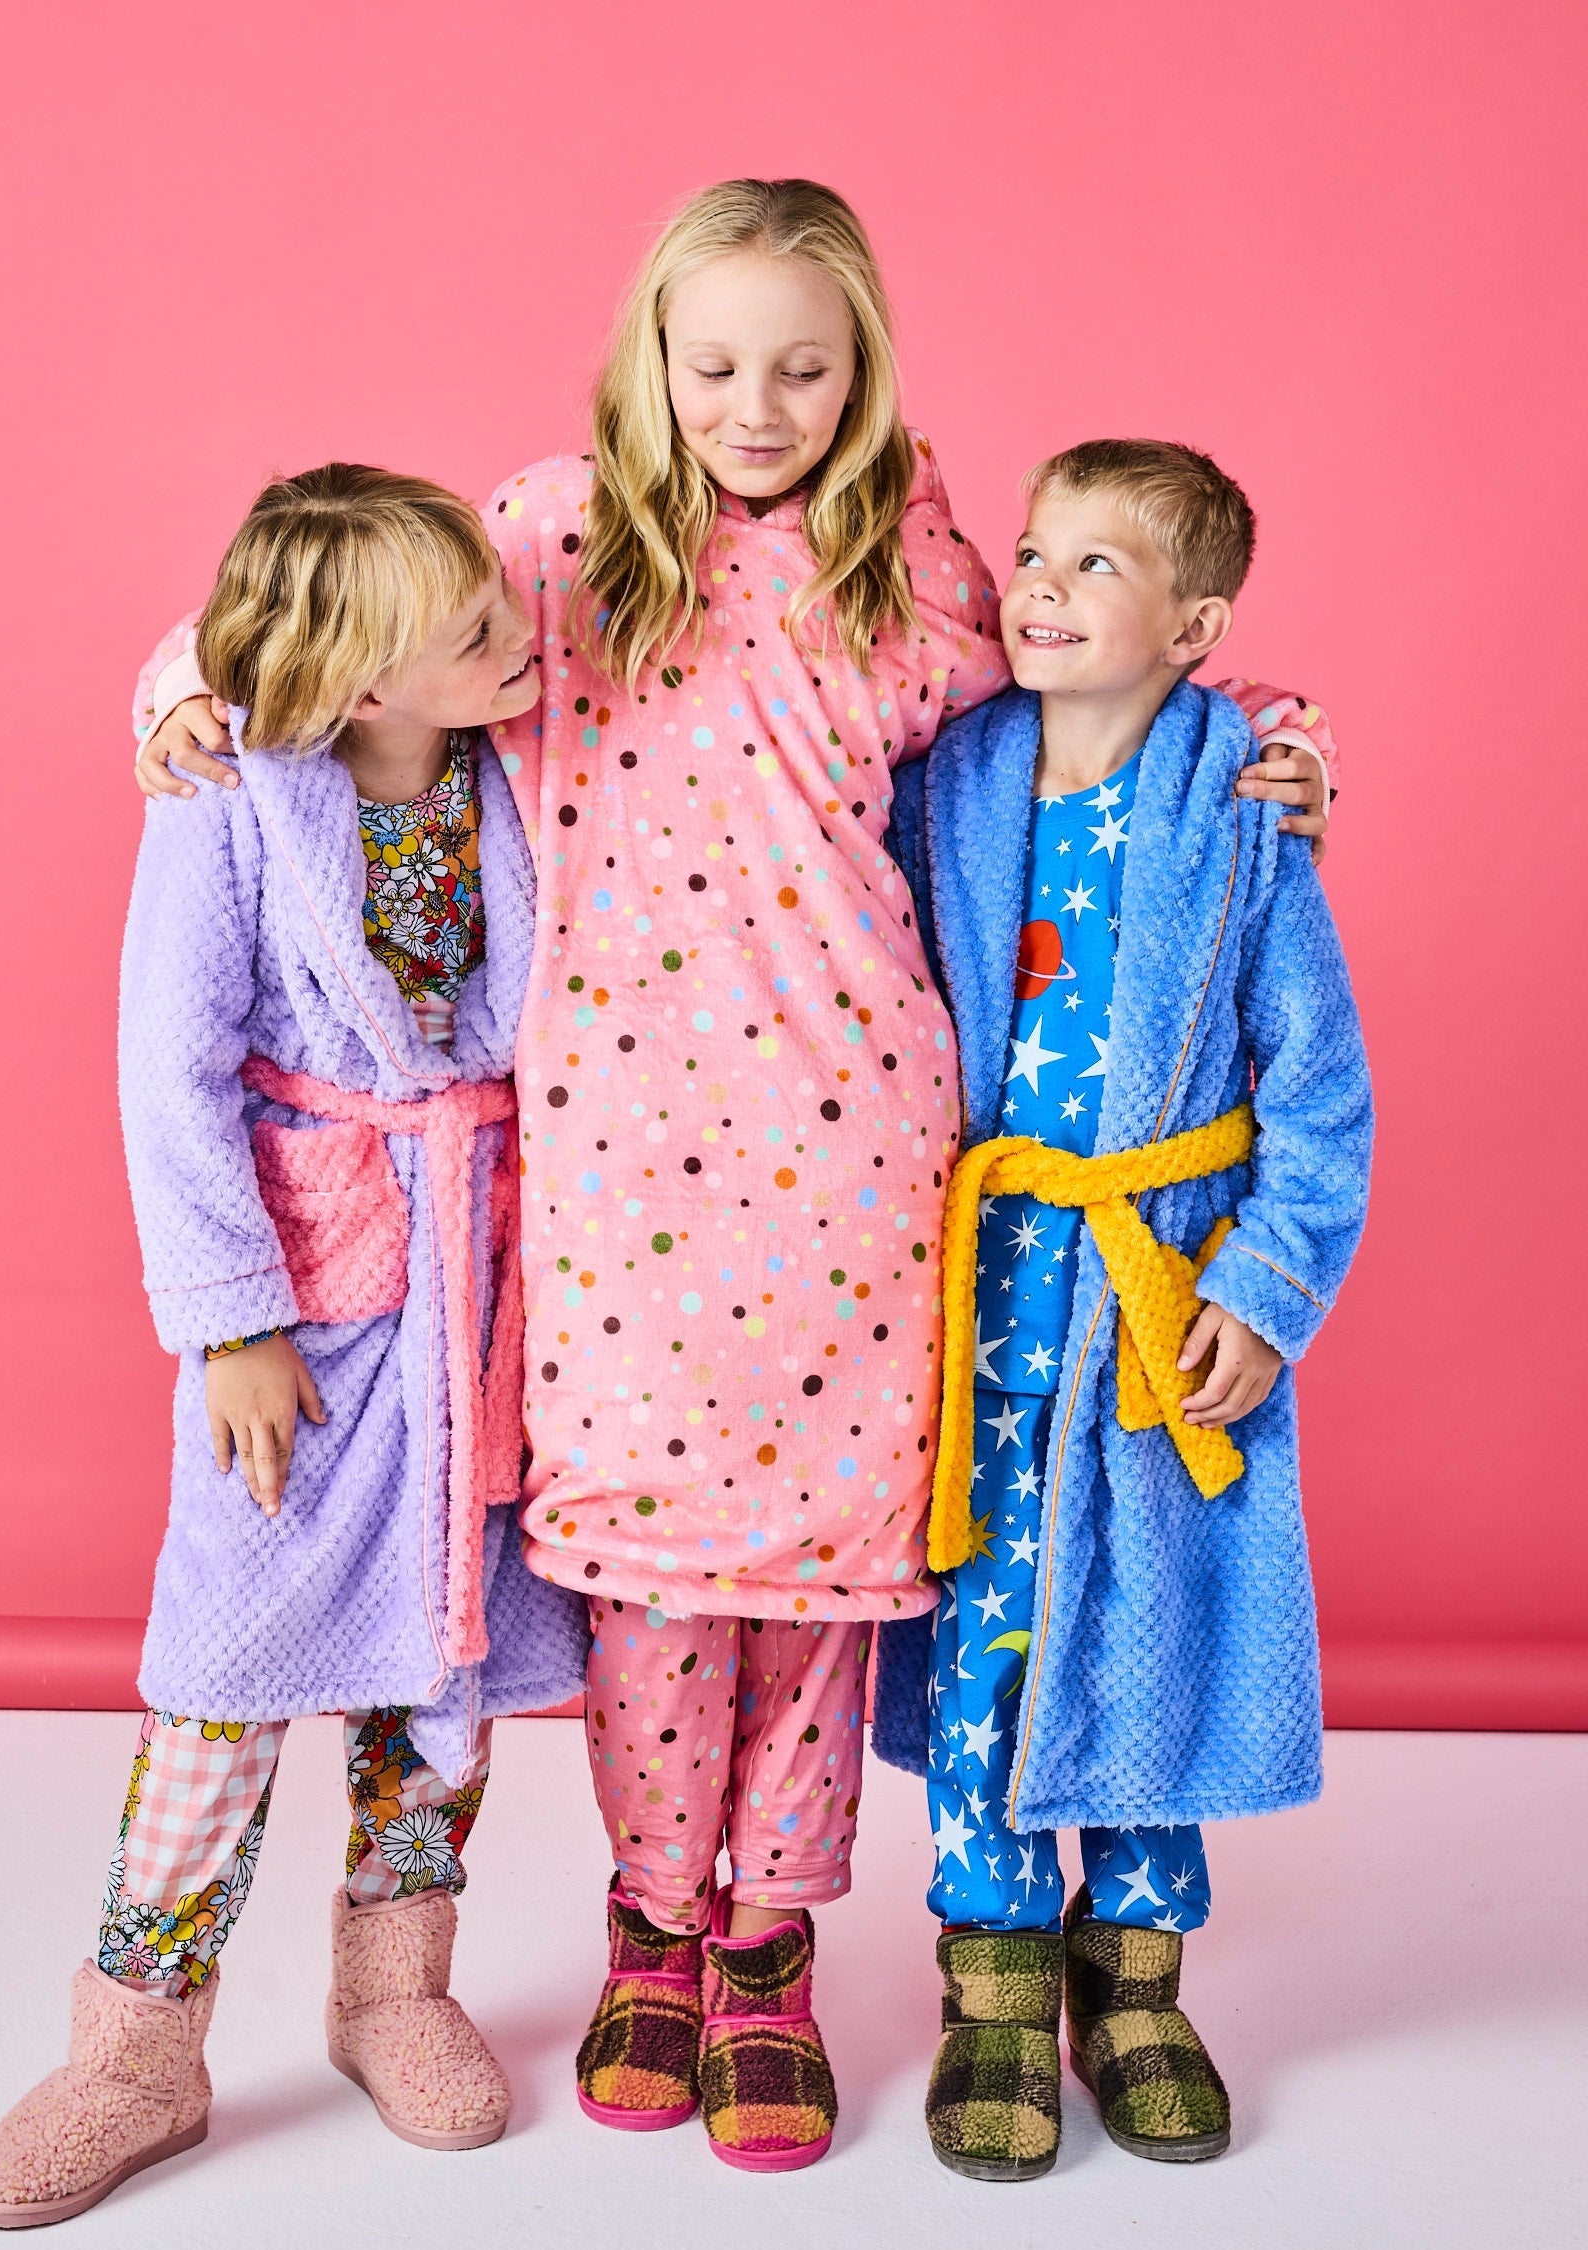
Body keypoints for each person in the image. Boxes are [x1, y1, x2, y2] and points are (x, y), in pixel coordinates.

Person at [132, 179, 1336, 2173]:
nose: (757, 404)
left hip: (866, 1158)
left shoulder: (925, 568)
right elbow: (303, 605)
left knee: (825, 1592)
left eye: (804, 364)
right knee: (650, 1600)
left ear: (860, 370)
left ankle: (767, 1947)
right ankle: (649, 1936)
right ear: (649, 360)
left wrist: (1267, 742)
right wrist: (173, 694)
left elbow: (1107, 698)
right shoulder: (543, 543)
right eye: (714, 365)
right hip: (617, 1170)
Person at [0, 466, 587, 2230]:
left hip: (485, 1278)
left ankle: (394, 1986)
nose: (515, 629)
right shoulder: (234, 791)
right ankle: (135, 2049)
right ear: (362, 682)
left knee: (442, 1679)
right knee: (222, 1686)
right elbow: (170, 1065)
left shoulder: (520, 754)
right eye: (472, 627)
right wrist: (229, 1317)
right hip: (311, 1294)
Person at [876, 439, 1372, 2181]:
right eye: (1032, 551)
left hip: (1158, 1305)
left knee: (1153, 1611)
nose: (1040, 585)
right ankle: (994, 1977)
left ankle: (1137, 1974)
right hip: (987, 1293)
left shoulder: (1240, 803)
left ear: (1199, 626)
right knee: (989, 1627)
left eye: (1098, 567)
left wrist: (1269, 1284)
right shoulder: (949, 776)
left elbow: (1316, 1086)